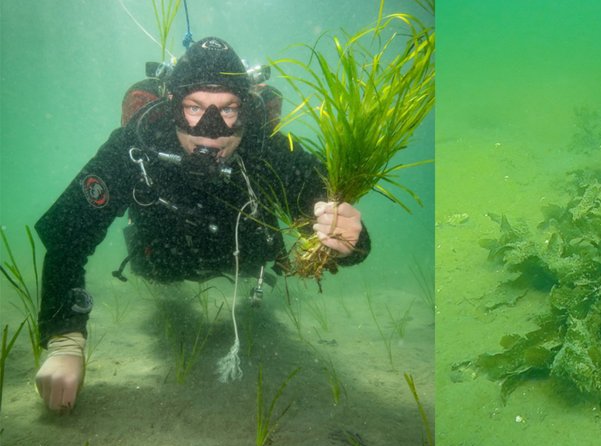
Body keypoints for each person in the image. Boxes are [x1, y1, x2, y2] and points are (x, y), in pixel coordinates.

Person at [33, 36, 370, 412]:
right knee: (165, 296)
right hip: (163, 262)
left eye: (228, 110)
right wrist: (64, 341)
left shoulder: (269, 148)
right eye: (194, 107)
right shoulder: (136, 144)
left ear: (247, 111)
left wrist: (351, 240)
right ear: (173, 105)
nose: (211, 129)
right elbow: (68, 235)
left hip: (245, 260)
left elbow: (333, 222)